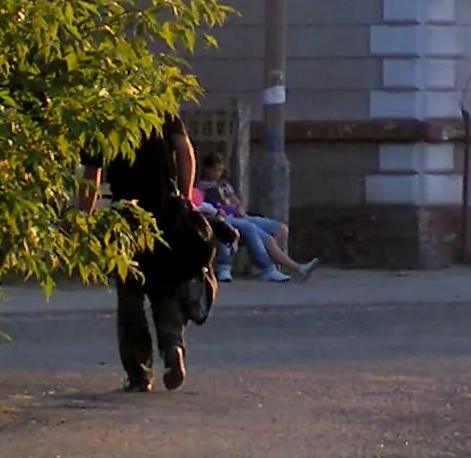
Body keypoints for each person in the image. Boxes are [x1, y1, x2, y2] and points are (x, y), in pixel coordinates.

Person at [82, 112, 226, 392]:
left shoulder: (102, 115)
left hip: (126, 217)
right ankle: (173, 346)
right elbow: (185, 152)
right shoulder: (160, 108)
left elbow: (92, 175)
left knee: (131, 294)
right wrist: (185, 199)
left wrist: (84, 218)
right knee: (167, 286)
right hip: (166, 211)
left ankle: (139, 373)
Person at [196, 151, 317, 283]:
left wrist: (238, 206)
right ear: (207, 169)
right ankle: (279, 268)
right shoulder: (202, 187)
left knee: (281, 229)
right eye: (215, 170)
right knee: (258, 233)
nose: (218, 173)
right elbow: (202, 205)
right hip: (224, 218)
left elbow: (237, 202)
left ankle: (275, 264)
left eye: (220, 170)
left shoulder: (224, 185)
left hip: (239, 216)